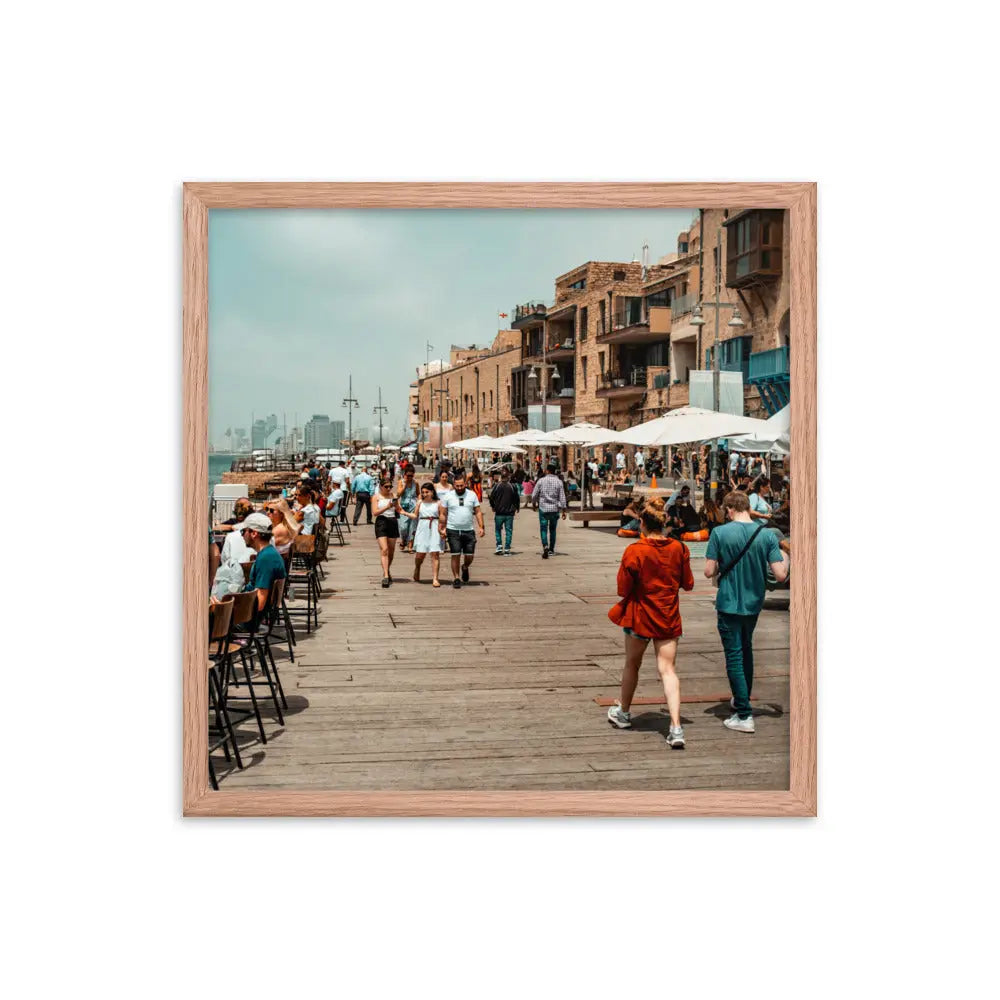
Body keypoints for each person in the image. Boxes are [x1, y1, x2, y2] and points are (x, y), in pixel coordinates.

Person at [606, 497, 694, 748]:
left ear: (642, 524)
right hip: (667, 615)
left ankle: (623, 713)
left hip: (640, 616)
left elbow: (623, 589)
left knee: (632, 665)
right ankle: (676, 727)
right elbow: (688, 584)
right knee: (668, 670)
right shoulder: (678, 548)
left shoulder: (634, 551)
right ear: (664, 522)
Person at [704, 491, 789, 733]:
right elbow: (781, 575)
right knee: (746, 649)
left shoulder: (720, 533)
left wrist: (723, 560)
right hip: (754, 603)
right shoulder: (766, 535)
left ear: (729, 509)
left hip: (729, 602)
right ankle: (742, 698)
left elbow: (709, 572)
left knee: (733, 655)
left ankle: (744, 714)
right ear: (748, 508)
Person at [438, 471, 484, 589]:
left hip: (468, 530)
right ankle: (456, 578)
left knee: (470, 555)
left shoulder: (472, 495)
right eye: (457, 486)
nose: (459, 488)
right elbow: (443, 513)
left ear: (465, 484)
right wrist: (441, 528)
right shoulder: (448, 496)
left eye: (461, 485)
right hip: (453, 529)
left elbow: (478, 511)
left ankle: (465, 567)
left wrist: (481, 527)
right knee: (455, 554)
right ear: (453, 485)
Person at [240, 512, 287, 612]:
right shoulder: (268, 553)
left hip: (249, 619)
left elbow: (260, 603)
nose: (242, 535)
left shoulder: (266, 558)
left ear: (254, 533)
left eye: (243, 531)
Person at [400, 482, 443, 586]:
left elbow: (442, 516)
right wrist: (404, 513)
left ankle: (435, 578)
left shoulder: (438, 503)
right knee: (420, 554)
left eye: (426, 492)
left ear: (432, 492)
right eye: (423, 492)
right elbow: (415, 515)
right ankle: (417, 568)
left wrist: (443, 529)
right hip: (423, 528)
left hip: (434, 527)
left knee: (435, 554)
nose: (424, 494)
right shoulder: (420, 503)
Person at [532, 462, 567, 558]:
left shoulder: (541, 481)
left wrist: (534, 504)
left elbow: (534, 494)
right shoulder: (559, 482)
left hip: (543, 509)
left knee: (543, 529)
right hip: (554, 509)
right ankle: (551, 549)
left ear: (547, 471)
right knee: (552, 530)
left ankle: (545, 546)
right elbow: (562, 497)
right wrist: (564, 510)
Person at [372, 477, 401, 587]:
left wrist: (410, 514)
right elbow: (375, 512)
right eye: (386, 487)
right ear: (381, 487)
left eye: (390, 487)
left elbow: (398, 509)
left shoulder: (393, 496)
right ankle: (385, 576)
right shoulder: (376, 497)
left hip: (392, 522)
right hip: (381, 522)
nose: (388, 489)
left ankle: (387, 569)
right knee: (384, 549)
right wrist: (387, 506)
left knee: (391, 551)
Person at [488, 468, 519, 554]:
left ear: (501, 477)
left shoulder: (497, 486)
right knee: (508, 531)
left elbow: (491, 497)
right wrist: (517, 507)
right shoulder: (512, 486)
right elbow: (516, 498)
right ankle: (507, 548)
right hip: (509, 513)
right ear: (508, 476)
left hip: (499, 513)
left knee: (498, 530)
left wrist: (493, 506)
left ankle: (499, 546)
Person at [395, 467, 419, 553]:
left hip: (413, 506)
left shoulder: (415, 483)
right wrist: (404, 486)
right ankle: (404, 540)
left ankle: (410, 545)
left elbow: (418, 494)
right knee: (403, 527)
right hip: (403, 507)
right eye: (408, 475)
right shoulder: (401, 482)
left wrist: (419, 502)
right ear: (404, 475)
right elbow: (398, 493)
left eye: (411, 476)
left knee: (412, 526)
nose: (409, 477)